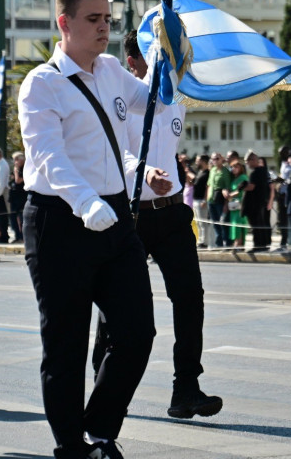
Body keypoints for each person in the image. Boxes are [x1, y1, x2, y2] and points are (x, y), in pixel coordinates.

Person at [17, 0, 164, 459]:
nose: (104, 27)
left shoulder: (114, 71)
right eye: (93, 19)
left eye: (108, 19)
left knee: (137, 332)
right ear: (65, 22)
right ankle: (71, 445)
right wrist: (85, 202)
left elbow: (154, 101)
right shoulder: (42, 84)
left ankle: (100, 429)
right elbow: (49, 157)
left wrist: (167, 57)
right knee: (66, 343)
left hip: (114, 217)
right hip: (61, 219)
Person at [92, 29, 222, 420]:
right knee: (118, 303)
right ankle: (103, 384)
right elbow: (118, 152)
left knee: (190, 299)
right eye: (161, 54)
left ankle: (186, 388)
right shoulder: (124, 97)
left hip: (172, 213)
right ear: (136, 61)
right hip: (132, 214)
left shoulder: (176, 96)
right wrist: (145, 172)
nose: (170, 62)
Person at [243, 151, 272, 252]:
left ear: (252, 160)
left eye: (247, 161)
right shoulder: (264, 171)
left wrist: (242, 187)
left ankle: (258, 245)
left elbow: (251, 187)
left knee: (256, 225)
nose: (246, 164)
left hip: (254, 203)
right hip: (261, 201)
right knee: (261, 223)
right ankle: (263, 244)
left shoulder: (255, 173)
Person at [205, 153, 231, 248]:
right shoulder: (212, 170)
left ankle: (227, 243)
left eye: (217, 158)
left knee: (223, 223)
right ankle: (218, 244)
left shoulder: (225, 172)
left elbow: (227, 188)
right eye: (213, 159)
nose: (215, 160)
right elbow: (209, 185)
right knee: (215, 223)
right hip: (211, 200)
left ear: (221, 159)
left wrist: (226, 204)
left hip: (220, 200)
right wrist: (206, 199)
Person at [227, 159, 249, 248]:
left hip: (240, 204)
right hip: (233, 206)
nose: (234, 169)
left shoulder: (243, 177)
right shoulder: (233, 179)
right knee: (234, 225)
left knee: (238, 225)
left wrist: (231, 195)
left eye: (236, 167)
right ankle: (237, 244)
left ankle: (238, 245)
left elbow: (243, 189)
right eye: (232, 167)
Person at [191, 154, 210, 248]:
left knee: (203, 222)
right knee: (198, 222)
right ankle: (200, 240)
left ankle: (204, 241)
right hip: (196, 200)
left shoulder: (207, 173)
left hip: (201, 201)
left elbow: (208, 188)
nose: (196, 162)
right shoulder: (200, 172)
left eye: (198, 160)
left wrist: (205, 200)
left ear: (203, 161)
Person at [9, 152, 26, 242]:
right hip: (14, 197)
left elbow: (18, 180)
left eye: (16, 159)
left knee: (21, 218)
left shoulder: (24, 168)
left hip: (22, 197)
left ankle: (22, 237)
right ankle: (17, 236)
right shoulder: (17, 169)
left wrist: (16, 171)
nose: (15, 162)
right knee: (13, 217)